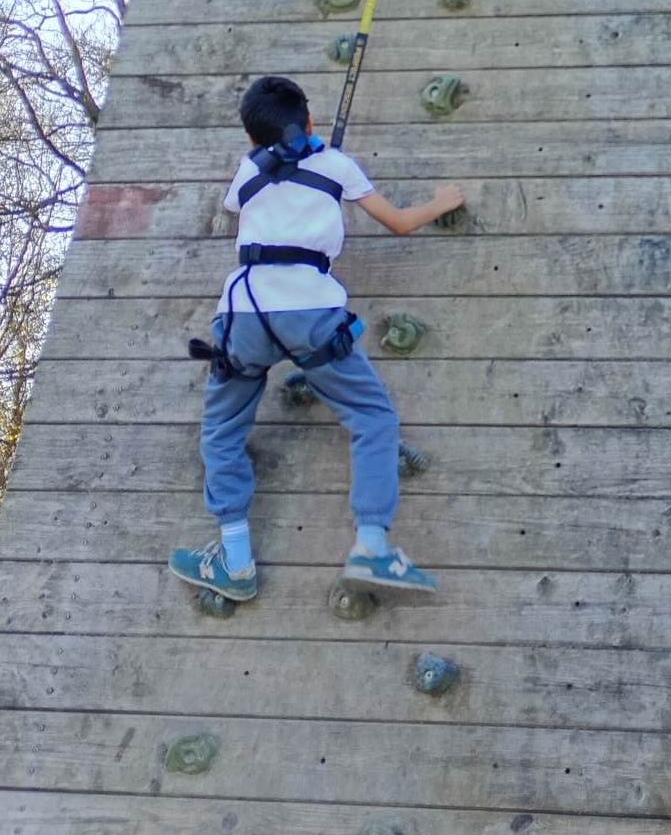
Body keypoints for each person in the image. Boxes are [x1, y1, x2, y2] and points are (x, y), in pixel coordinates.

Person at [168, 74, 463, 604]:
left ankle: (235, 559)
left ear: (251, 138)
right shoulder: (336, 165)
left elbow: (245, 199)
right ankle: (371, 545)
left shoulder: (247, 171)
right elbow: (398, 223)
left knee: (222, 431)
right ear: (309, 121)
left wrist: (286, 157)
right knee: (373, 418)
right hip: (311, 314)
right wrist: (441, 201)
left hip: (245, 313)